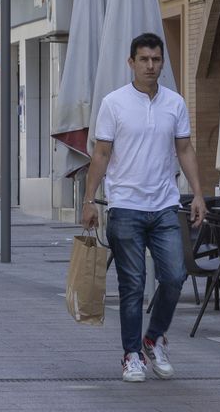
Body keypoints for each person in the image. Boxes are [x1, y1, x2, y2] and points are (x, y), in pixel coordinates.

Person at [81, 33, 207, 383]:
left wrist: (197, 193)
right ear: (131, 62)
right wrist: (89, 200)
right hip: (125, 207)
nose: (151, 65)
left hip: (166, 204)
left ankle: (153, 338)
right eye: (144, 59)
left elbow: (184, 149)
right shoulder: (113, 103)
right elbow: (101, 154)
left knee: (174, 276)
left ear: (163, 62)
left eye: (156, 59)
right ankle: (131, 353)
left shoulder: (175, 103)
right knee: (132, 285)